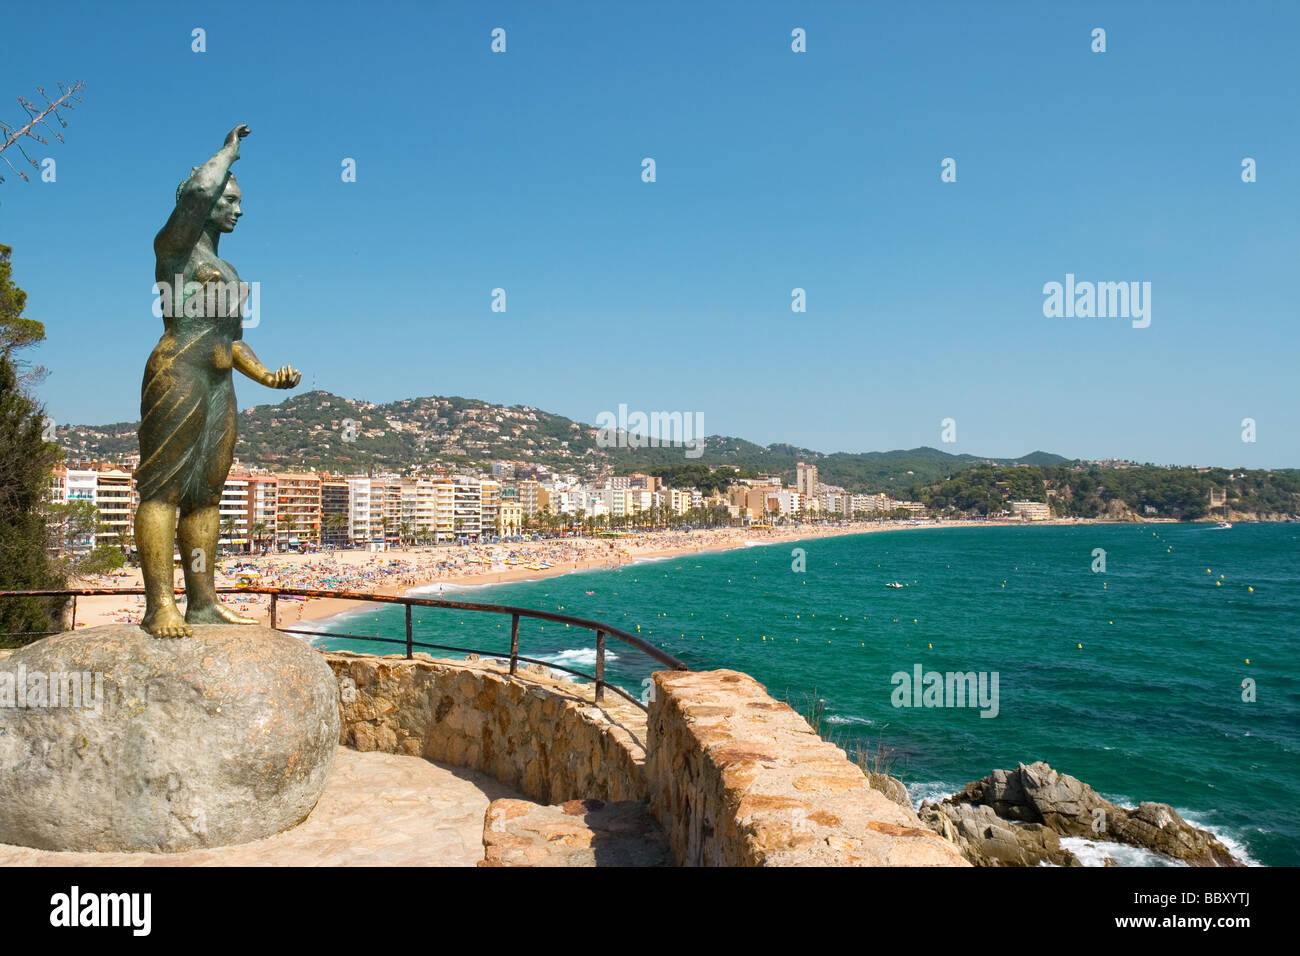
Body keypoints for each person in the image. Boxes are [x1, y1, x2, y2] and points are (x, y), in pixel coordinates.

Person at [136, 125, 300, 637]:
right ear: (203, 204)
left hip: (219, 384)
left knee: (206, 496)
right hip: (178, 374)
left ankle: (203, 602)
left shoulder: (225, 267)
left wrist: (267, 376)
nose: (239, 210)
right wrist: (229, 152)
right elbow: (198, 190)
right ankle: (159, 606)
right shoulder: (175, 250)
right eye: (230, 200)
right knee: (162, 491)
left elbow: (232, 340)